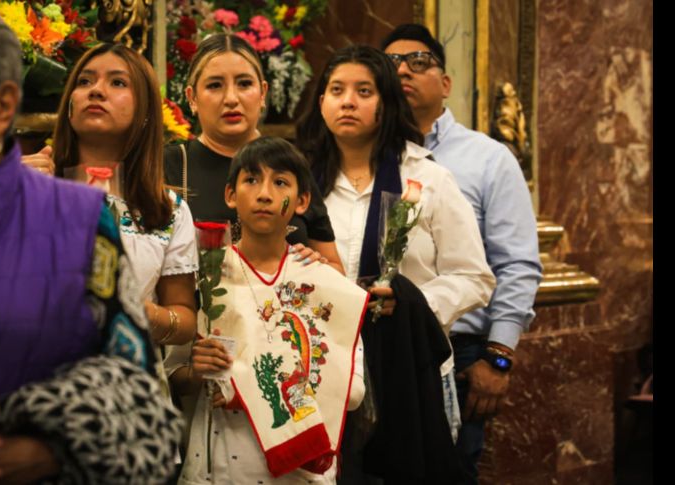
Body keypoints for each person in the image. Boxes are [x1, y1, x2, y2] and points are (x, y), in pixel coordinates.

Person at [0, 8, 181, 483]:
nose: (97, 92)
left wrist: (43, 452)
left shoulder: (80, 221)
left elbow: (142, 413)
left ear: (3, 105)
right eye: (85, 81)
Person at [296, 44, 495, 483]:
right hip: (318, 369)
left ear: (385, 104)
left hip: (408, 368)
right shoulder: (299, 177)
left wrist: (411, 302)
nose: (348, 101)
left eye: (364, 91)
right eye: (337, 90)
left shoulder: (427, 178)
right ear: (322, 102)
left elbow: (475, 277)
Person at [382, 24, 543, 484]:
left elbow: (516, 263)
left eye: (419, 62)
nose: (404, 73)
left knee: (448, 473)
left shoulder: (488, 158)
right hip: (377, 348)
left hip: (460, 351)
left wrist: (498, 357)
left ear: (446, 83)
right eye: (392, 64)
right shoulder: (363, 156)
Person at [166, 136, 369, 484]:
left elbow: (352, 393)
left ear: (303, 200)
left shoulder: (322, 283)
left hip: (302, 470)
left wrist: (264, 382)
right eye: (251, 180)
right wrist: (199, 371)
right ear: (230, 195)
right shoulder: (206, 274)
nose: (264, 194)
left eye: (280, 182)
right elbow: (174, 374)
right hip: (221, 463)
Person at [25, 43, 198, 363]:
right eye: (84, 81)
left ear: (146, 112)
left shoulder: (168, 210)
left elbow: (185, 318)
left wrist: (141, 312)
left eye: (117, 82)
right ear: (69, 106)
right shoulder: (28, 185)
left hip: (128, 390)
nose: (96, 91)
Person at [163, 33, 344, 273]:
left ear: (263, 93)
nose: (231, 98)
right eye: (215, 85)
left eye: (244, 84)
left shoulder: (289, 163)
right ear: (192, 98)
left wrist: (316, 266)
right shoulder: (170, 165)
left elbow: (336, 272)